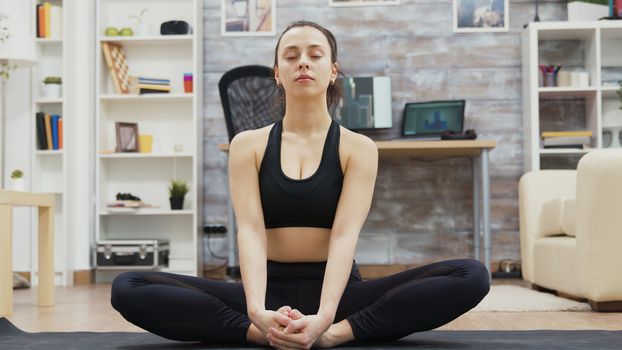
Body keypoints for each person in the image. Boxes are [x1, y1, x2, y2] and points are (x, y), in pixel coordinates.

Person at [110, 20, 490, 349]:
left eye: (315, 54)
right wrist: (257, 312)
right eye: (291, 56)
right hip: (266, 289)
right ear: (277, 72)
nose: (303, 61)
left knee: (471, 275)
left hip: (338, 294)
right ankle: (263, 335)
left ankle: (336, 336)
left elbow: (344, 236)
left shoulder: (359, 148)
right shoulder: (248, 145)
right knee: (128, 285)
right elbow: (252, 234)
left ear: (333, 70)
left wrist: (325, 319)